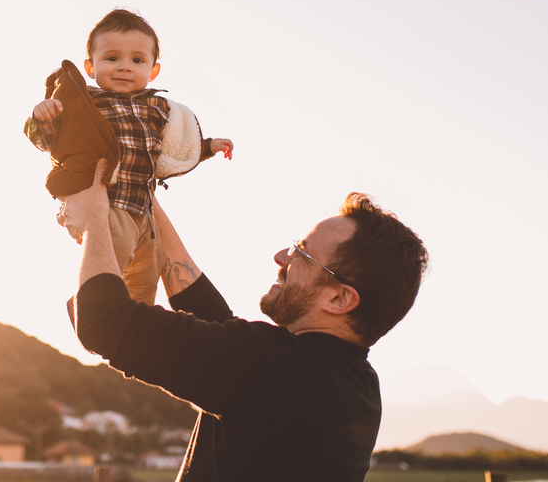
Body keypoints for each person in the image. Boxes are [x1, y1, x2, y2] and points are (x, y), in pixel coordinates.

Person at [62, 160, 429, 481]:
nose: (281, 257)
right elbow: (215, 323)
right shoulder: (347, 381)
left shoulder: (279, 371)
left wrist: (94, 214)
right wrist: (143, 194)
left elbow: (103, 321)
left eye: (302, 253)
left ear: (339, 298)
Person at [25, 8, 233, 305]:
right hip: (108, 205)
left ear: (153, 70)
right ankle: (86, 305)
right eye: (112, 58)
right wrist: (42, 117)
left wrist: (208, 147)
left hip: (143, 210)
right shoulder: (85, 101)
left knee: (144, 283)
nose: (124, 67)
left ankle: (130, 325)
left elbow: (173, 150)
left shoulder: (159, 108)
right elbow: (49, 140)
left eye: (137, 60)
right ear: (90, 66)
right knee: (110, 262)